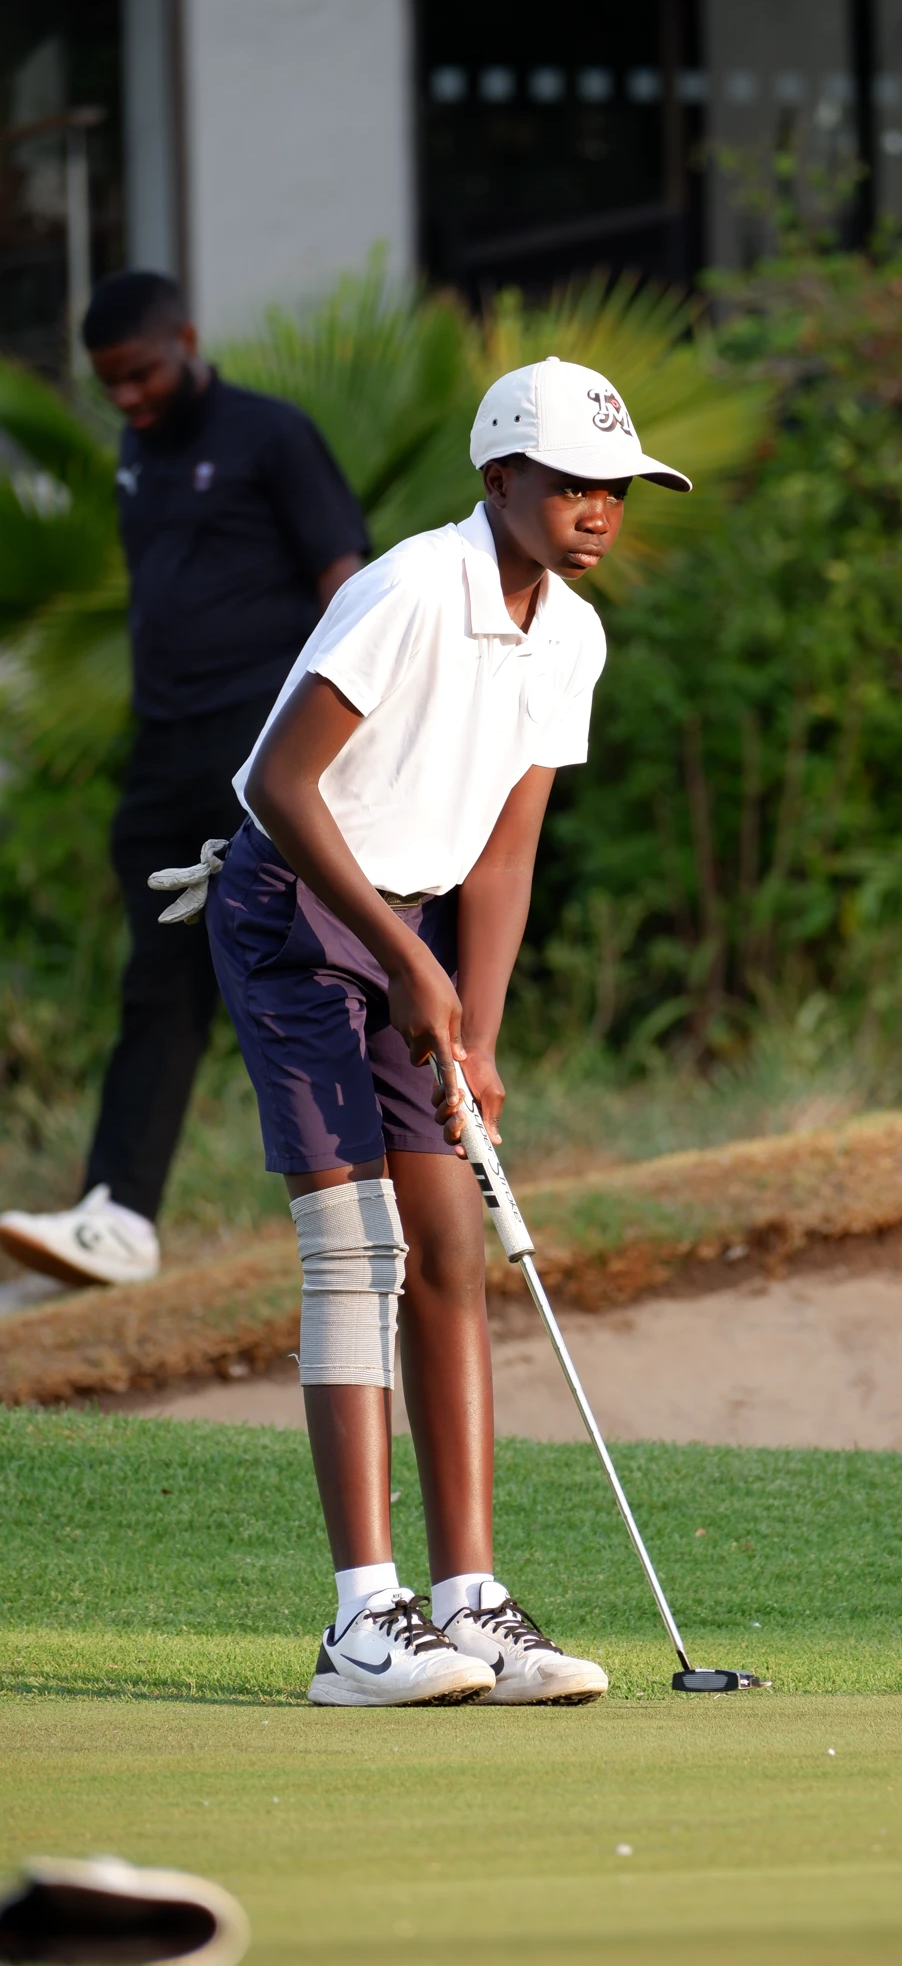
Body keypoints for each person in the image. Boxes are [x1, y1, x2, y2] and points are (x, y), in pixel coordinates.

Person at [204, 356, 690, 1706]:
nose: (600, 509)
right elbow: (278, 781)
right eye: (574, 483)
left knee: (451, 1246)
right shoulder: (415, 587)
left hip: (407, 926)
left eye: (617, 489)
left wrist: (477, 1029)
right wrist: (406, 959)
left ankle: (469, 1602)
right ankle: (363, 1619)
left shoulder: (572, 638)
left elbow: (506, 853)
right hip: (293, 915)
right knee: (355, 1249)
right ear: (500, 478)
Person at [0, 271, 368, 1287]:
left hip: (263, 753)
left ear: (188, 342)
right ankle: (118, 1217)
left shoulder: (272, 435)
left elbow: (348, 587)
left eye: (142, 374)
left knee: (316, 969)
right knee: (156, 985)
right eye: (109, 383)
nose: (127, 398)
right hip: (163, 753)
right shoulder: (137, 451)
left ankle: (395, 1186)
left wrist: (329, 745)